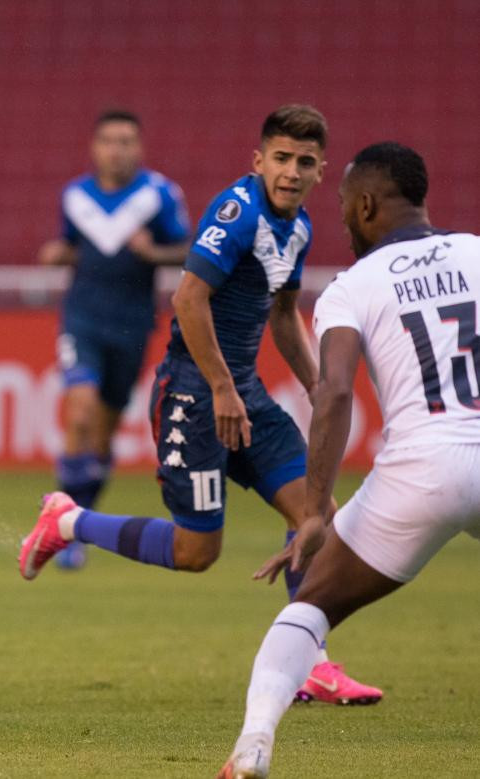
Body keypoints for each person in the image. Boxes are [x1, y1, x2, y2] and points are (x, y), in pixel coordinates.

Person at [19, 105, 381, 704]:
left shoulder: (299, 227)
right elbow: (190, 299)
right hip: (194, 393)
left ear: (322, 171)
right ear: (258, 160)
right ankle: (67, 521)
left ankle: (312, 665)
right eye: (282, 159)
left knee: (318, 519)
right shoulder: (236, 213)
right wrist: (219, 389)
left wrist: (316, 385)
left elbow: (285, 314)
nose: (292, 172)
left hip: (243, 395)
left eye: (306, 162)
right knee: (196, 553)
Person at [219, 143, 480, 778]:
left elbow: (333, 392)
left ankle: (253, 744)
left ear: (366, 204)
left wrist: (314, 513)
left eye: (342, 205)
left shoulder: (353, 286)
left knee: (307, 607)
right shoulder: (476, 250)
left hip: (419, 473)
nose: (340, 218)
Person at [38, 109, 191, 568]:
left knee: (103, 436)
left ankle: (77, 521)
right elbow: (70, 244)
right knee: (79, 411)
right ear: (95, 147)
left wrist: (156, 252)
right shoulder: (76, 196)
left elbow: (187, 248)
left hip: (132, 325)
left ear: (139, 148)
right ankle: (61, 527)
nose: (117, 149)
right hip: (82, 320)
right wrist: (59, 253)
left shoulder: (158, 195)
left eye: (126, 141)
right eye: (109, 140)